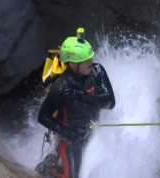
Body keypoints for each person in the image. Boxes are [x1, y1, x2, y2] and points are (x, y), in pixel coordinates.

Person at [36, 28, 115, 178]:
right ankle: (48, 167)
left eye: (91, 57)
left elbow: (110, 103)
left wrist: (80, 95)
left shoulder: (98, 72)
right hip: (72, 141)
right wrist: (68, 134)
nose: (91, 62)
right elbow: (43, 116)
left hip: (92, 131)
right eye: (86, 60)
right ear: (72, 64)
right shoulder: (61, 86)